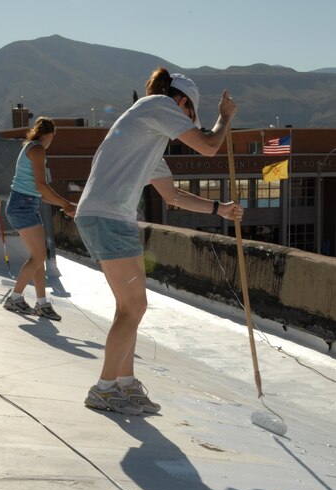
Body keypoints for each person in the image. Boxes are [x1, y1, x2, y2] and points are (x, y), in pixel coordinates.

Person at [75, 67, 244, 416]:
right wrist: (224, 118)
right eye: (188, 116)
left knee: (132, 307)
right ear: (181, 102)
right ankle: (104, 388)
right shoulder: (158, 105)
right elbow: (210, 146)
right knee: (132, 307)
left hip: (109, 216)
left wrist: (219, 209)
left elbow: (173, 197)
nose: (185, 124)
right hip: (108, 217)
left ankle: (125, 383)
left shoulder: (147, 138)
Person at [4, 116, 76, 320]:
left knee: (38, 257)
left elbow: (41, 193)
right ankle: (15, 298)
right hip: (23, 206)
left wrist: (64, 205)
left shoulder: (31, 147)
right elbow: (41, 186)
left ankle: (42, 303)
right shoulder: (37, 150)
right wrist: (65, 204)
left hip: (26, 204)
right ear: (51, 134)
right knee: (39, 256)